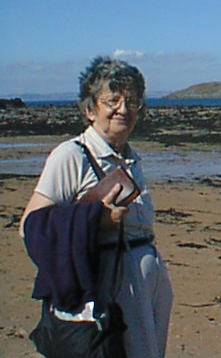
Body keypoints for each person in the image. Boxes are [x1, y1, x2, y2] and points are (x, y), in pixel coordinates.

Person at [20, 56, 173, 358]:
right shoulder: (71, 155)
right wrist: (96, 218)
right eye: (112, 101)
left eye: (132, 101)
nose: (123, 109)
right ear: (90, 110)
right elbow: (30, 226)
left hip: (148, 280)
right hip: (112, 283)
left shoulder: (130, 158)